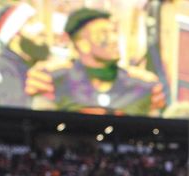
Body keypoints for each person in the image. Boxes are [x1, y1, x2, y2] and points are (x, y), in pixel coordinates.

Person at [27, 9, 166, 116]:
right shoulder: (52, 80)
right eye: (104, 34)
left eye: (114, 32)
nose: (114, 40)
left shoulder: (143, 85)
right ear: (82, 44)